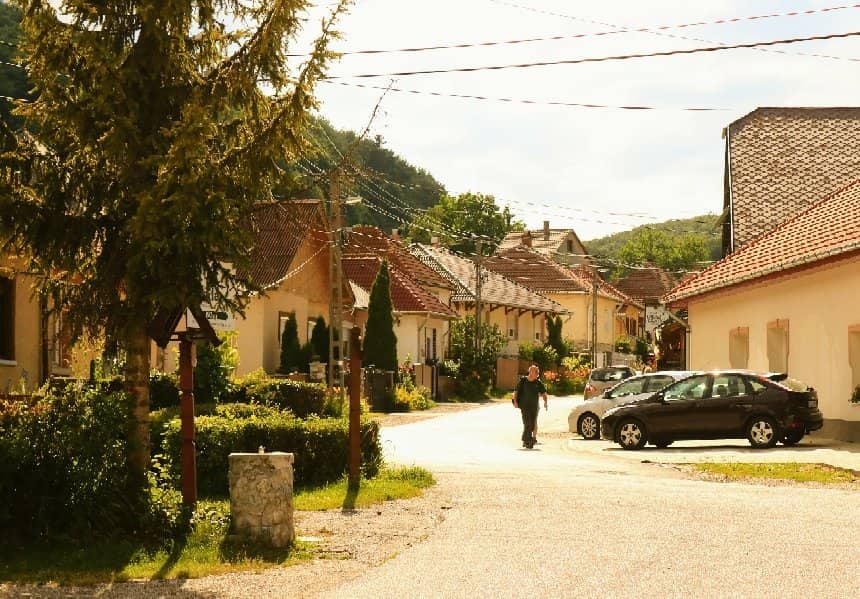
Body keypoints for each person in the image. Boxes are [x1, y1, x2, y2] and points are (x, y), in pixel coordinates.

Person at [512, 364, 548, 449]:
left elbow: (544, 393)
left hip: (534, 407)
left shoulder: (538, 383)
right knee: (527, 422)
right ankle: (528, 440)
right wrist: (515, 402)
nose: (537, 374)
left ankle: (526, 441)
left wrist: (545, 402)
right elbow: (516, 392)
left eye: (537, 372)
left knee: (531, 424)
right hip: (524, 406)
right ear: (531, 372)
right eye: (536, 372)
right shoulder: (523, 381)